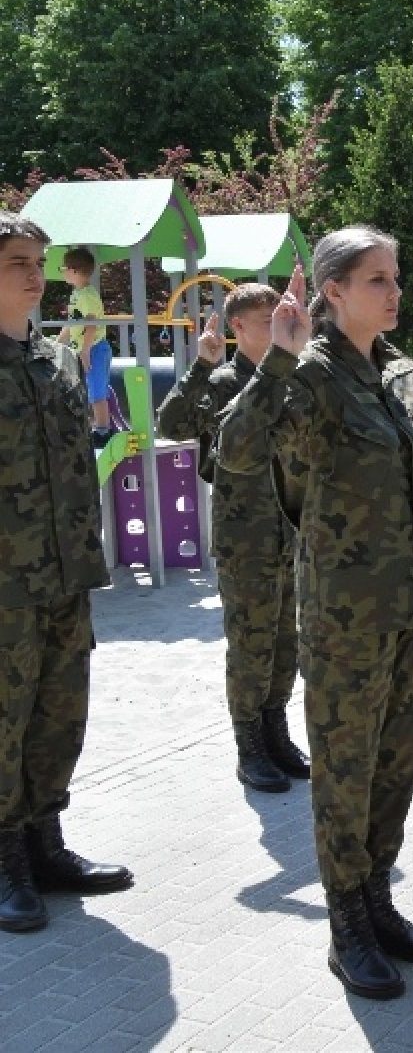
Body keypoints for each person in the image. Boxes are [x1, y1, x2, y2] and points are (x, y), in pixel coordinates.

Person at [217, 231, 413, 999]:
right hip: (345, 618)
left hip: (408, 609)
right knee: (345, 776)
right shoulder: (312, 375)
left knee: (395, 767)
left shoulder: (389, 375)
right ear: (334, 291)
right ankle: (346, 923)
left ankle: (379, 900)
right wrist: (278, 357)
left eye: (395, 277)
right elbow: (238, 450)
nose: (393, 292)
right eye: (375, 280)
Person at [0, 212, 132, 935]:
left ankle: (45, 843)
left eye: (40, 259)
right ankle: (4, 859)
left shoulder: (56, 359)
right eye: (18, 260)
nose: (35, 272)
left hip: (65, 574)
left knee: (59, 715)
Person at [155, 283, 312, 790]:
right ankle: (249, 747)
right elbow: (172, 423)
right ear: (238, 327)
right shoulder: (224, 381)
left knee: (286, 642)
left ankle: (275, 731)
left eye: (279, 317)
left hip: (291, 530)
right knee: (251, 645)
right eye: (264, 320)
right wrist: (201, 364)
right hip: (246, 534)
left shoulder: (291, 378)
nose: (275, 328)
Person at [59, 247, 114, 447]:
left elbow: (91, 325)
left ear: (73, 270)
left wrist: (85, 350)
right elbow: (72, 322)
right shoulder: (77, 293)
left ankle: (102, 432)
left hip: (95, 348)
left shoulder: (87, 295)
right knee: (87, 389)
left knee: (96, 391)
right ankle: (95, 426)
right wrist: (57, 344)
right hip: (85, 349)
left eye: (62, 268)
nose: (62, 272)